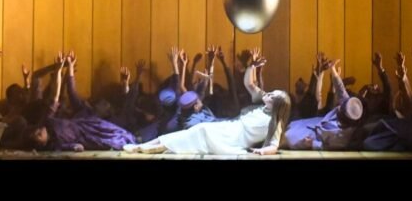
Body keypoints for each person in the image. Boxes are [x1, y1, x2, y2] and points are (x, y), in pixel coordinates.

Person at [123, 48, 291, 155]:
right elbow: (250, 84)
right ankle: (145, 146)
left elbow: (274, 146)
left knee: (198, 131)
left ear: (277, 105)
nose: (268, 94)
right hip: (229, 128)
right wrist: (252, 66)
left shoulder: (274, 122)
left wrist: (262, 152)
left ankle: (147, 148)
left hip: (233, 139)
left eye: (272, 96)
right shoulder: (264, 104)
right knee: (194, 132)